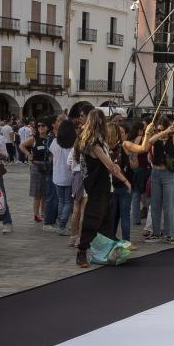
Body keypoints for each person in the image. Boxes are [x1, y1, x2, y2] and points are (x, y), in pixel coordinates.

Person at [74, 110, 131, 267]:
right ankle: (81, 252)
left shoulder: (97, 141)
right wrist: (125, 180)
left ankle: (106, 252)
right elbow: (110, 165)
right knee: (93, 219)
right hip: (97, 186)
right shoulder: (93, 144)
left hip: (103, 185)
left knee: (106, 220)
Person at [147, 120, 174, 242]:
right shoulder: (157, 139)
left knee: (168, 206)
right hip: (155, 173)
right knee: (155, 205)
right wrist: (164, 132)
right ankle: (156, 233)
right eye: (158, 130)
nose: (160, 132)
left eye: (162, 129)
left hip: (168, 175)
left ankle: (169, 234)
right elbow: (150, 141)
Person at [49, 116, 77, 234]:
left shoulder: (55, 141)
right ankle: (62, 225)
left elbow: (51, 155)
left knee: (61, 200)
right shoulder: (74, 143)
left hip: (57, 176)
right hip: (70, 176)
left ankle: (61, 223)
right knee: (68, 202)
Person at [22, 119, 52, 223]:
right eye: (39, 126)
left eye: (43, 126)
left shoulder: (50, 139)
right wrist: (28, 154)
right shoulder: (34, 139)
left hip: (47, 168)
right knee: (37, 194)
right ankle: (36, 214)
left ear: (47, 127)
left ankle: (43, 213)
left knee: (45, 193)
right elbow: (21, 145)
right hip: (36, 167)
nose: (41, 128)